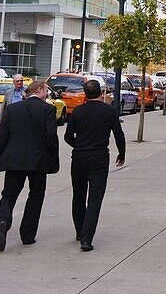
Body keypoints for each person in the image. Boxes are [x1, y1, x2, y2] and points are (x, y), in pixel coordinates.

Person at [0, 80, 59, 251]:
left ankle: (3, 222)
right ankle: (27, 234)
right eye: (46, 91)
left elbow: (2, 136)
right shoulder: (48, 109)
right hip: (38, 159)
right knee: (36, 195)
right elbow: (51, 135)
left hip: (14, 159)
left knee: (9, 194)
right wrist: (52, 156)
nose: (47, 95)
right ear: (41, 90)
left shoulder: (13, 109)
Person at [64, 79, 125, 251]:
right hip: (99, 156)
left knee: (78, 194)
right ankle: (86, 237)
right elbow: (118, 134)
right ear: (100, 92)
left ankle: (79, 230)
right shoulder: (109, 111)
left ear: (85, 93)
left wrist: (78, 145)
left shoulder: (77, 112)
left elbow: (68, 136)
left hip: (79, 156)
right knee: (95, 197)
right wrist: (122, 153)